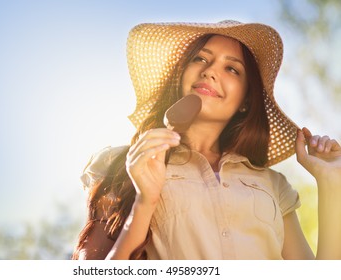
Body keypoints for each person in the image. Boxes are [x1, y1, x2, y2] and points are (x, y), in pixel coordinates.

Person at [72, 20, 341, 260]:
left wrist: (331, 183)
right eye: (200, 59)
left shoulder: (273, 184)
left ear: (247, 100)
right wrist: (145, 202)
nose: (210, 71)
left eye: (232, 69)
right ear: (181, 76)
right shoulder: (123, 164)